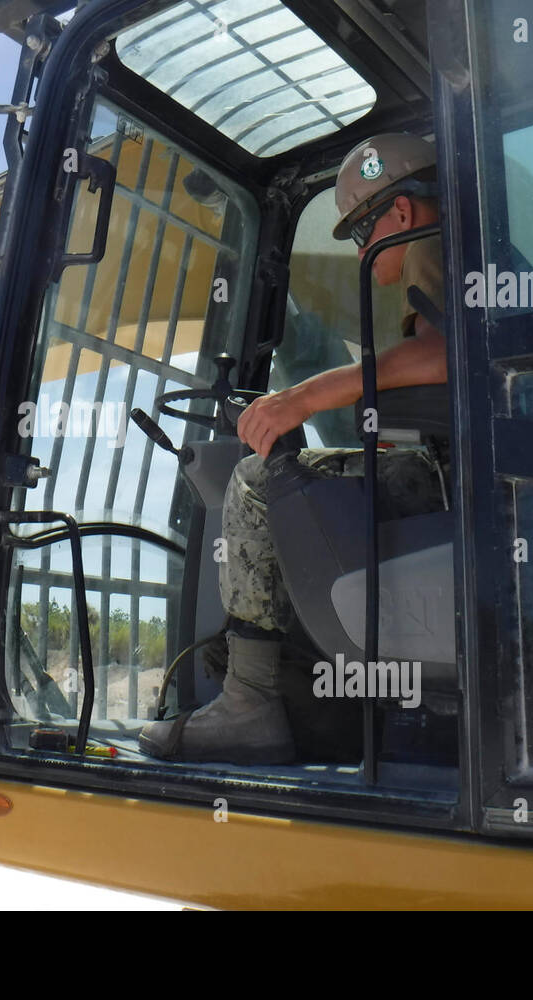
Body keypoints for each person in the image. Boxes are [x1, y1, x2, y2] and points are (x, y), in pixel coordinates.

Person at [139, 132, 448, 764]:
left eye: (361, 233)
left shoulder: (431, 247)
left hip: (450, 477)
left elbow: (441, 356)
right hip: (466, 470)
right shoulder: (462, 248)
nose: (364, 254)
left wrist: (299, 399)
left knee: (255, 480)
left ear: (399, 213)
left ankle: (250, 702)